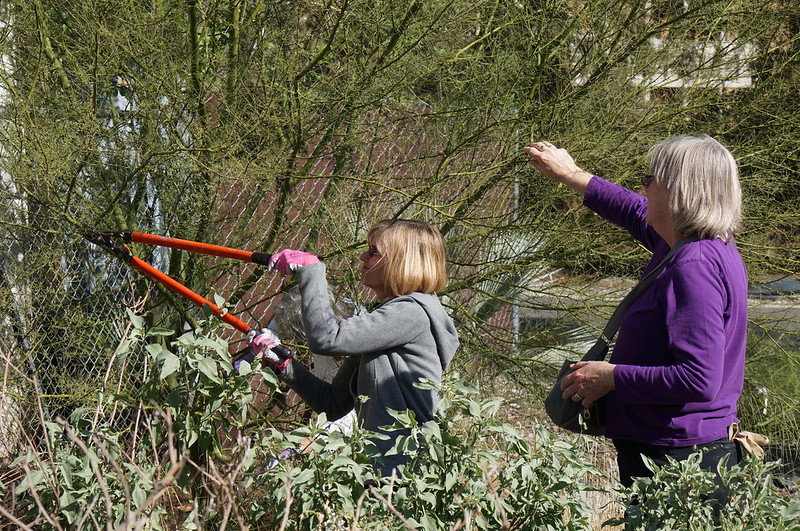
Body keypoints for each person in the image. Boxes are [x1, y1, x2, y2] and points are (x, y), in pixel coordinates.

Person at [523, 135, 748, 507]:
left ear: (678, 191)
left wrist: (610, 377)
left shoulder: (694, 267)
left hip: (678, 462)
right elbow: (631, 209)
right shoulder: (699, 245)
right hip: (681, 453)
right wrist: (571, 174)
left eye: (650, 178)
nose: (641, 187)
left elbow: (699, 379)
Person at [249, 219, 460, 476]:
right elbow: (333, 404)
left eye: (373, 252)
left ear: (401, 262)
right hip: (380, 468)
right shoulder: (391, 321)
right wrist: (283, 365)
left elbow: (327, 338)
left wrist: (312, 270)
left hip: (406, 475)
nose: (363, 257)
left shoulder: (412, 313)